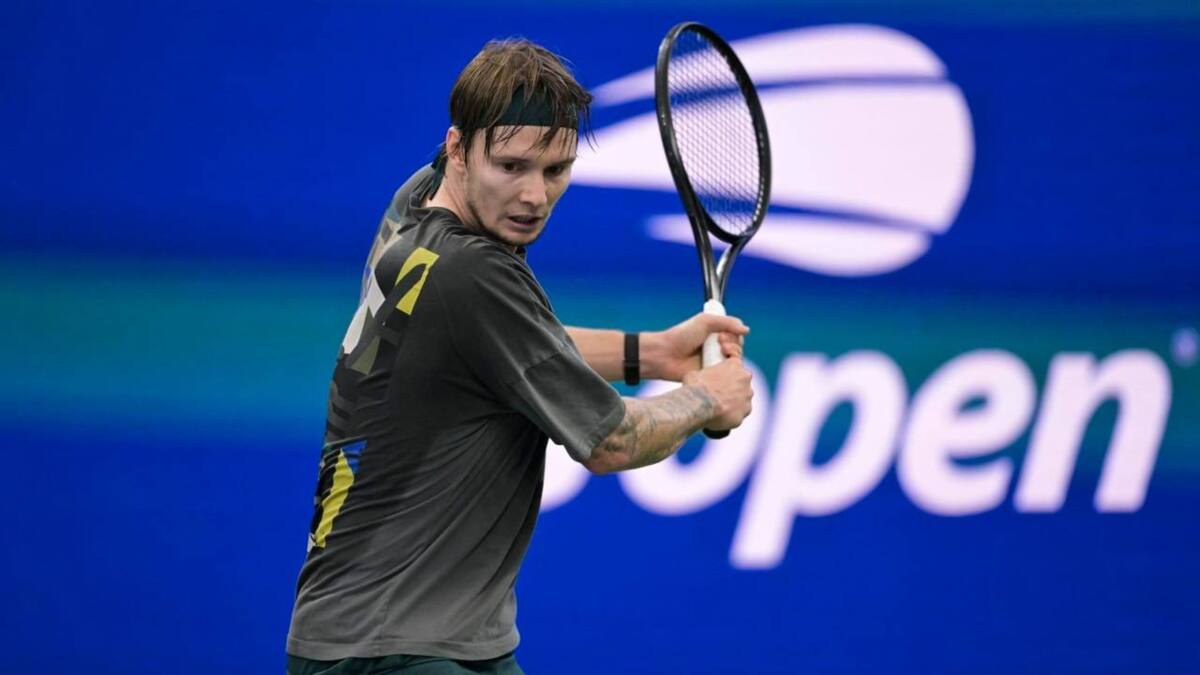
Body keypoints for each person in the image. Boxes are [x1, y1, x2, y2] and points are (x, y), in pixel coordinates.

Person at [286, 38, 753, 675]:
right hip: (394, 649)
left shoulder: (416, 203)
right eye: (511, 167)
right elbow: (612, 441)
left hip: (413, 639)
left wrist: (658, 354)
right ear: (458, 148)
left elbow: (518, 345)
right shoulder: (474, 272)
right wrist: (706, 398)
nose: (535, 195)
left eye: (556, 170)